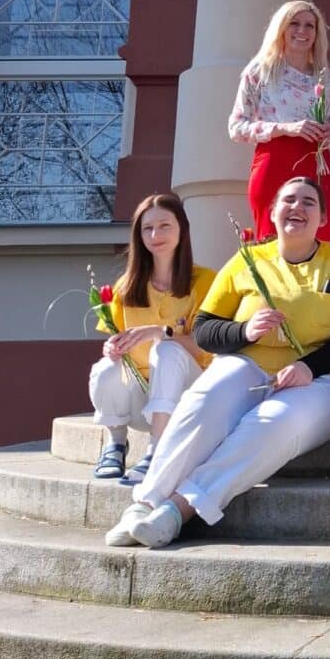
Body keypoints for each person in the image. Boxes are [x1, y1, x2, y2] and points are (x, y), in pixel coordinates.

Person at [103, 177, 330, 549]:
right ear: (272, 213)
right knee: (202, 401)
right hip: (248, 366)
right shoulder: (247, 260)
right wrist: (245, 331)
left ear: (323, 218)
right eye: (288, 200)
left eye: (308, 202)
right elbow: (206, 329)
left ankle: (179, 510)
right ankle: (144, 503)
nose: (297, 207)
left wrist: (309, 367)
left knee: (271, 421)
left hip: (320, 380)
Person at [88, 193, 214, 481]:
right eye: (147, 228)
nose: (156, 235)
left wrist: (161, 333)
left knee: (165, 349)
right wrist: (113, 348)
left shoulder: (205, 281)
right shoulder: (125, 287)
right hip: (139, 399)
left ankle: (157, 450)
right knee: (105, 368)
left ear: (182, 229)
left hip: (186, 396)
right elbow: (114, 340)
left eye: (164, 226)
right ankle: (115, 444)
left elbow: (208, 345)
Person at [228, 0, 330, 240]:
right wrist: (285, 128)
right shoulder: (259, 71)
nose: (302, 31)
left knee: (322, 241)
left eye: (310, 26)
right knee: (273, 243)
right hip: (274, 165)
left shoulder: (326, 78)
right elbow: (236, 127)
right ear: (281, 29)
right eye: (294, 24)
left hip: (317, 166)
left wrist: (329, 135)